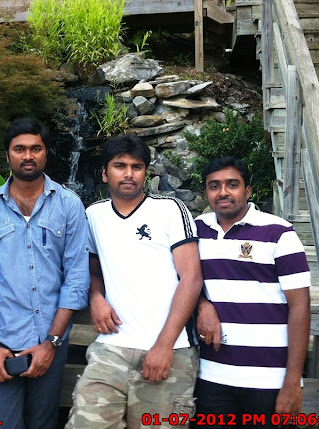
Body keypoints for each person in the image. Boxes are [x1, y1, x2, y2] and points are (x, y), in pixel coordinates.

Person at [66, 134, 203, 429]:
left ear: (145, 172)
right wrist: (95, 298)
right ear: (104, 172)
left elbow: (191, 277)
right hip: (111, 349)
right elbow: (90, 271)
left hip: (171, 350)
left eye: (137, 167)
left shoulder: (170, 210)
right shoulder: (92, 215)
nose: (128, 174)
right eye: (119, 166)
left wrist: (164, 346)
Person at [0, 117, 90, 429]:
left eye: (36, 148)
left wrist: (51, 343)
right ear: (7, 155)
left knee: (43, 423)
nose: (28, 156)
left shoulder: (69, 204)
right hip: (4, 344)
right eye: (19, 149)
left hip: (51, 343)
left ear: (46, 153)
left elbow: (76, 277)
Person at [194, 156, 311, 428]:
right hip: (213, 375)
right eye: (214, 186)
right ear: (206, 192)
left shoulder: (279, 233)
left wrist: (293, 381)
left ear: (247, 190)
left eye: (232, 184)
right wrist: (202, 304)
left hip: (268, 379)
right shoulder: (196, 230)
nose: (223, 192)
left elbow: (300, 307)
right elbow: (182, 279)